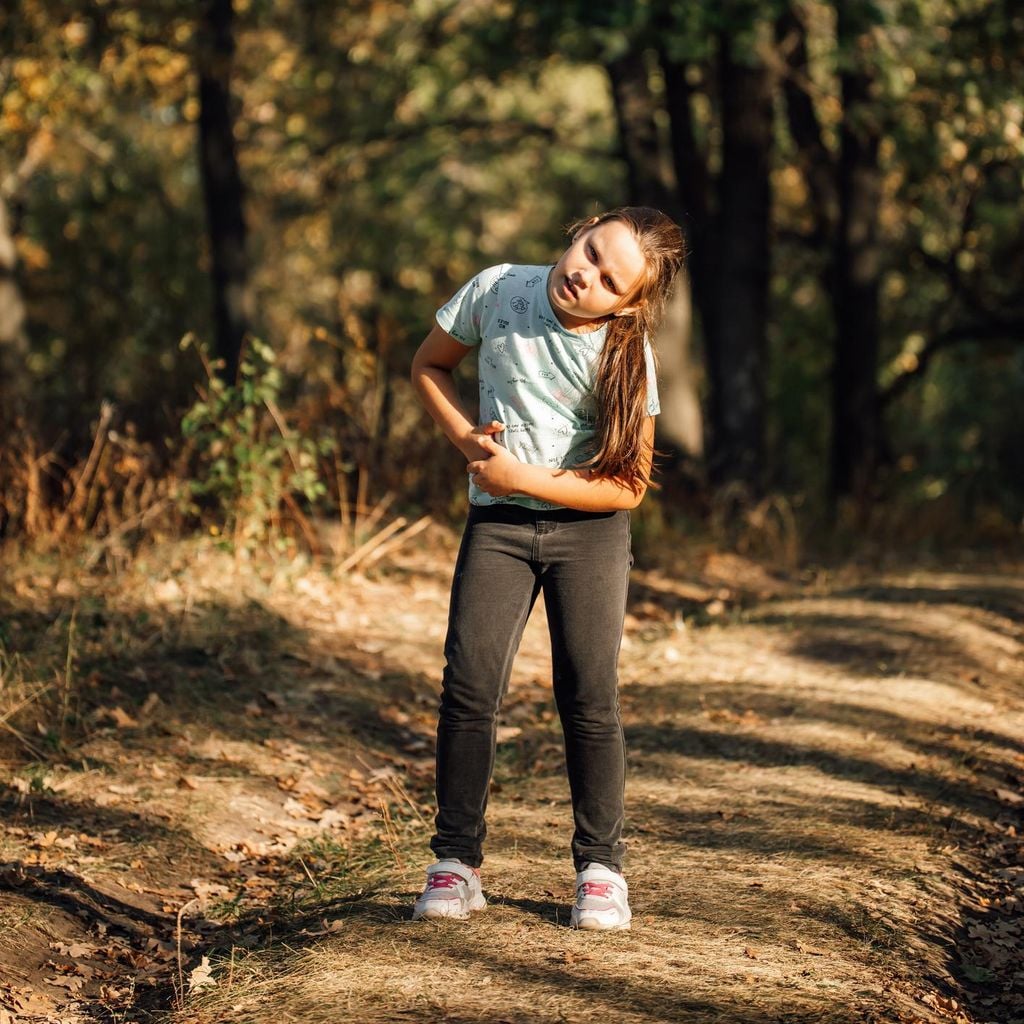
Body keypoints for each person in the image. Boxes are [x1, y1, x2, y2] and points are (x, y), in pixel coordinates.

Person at [409, 207, 685, 930]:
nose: (584, 275)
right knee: (469, 684)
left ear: (627, 303)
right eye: (590, 251)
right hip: (496, 526)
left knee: (588, 696)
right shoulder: (499, 290)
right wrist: (466, 438)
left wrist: (522, 478)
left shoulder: (628, 354)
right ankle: (455, 862)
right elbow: (428, 365)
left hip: (588, 537)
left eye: (608, 280)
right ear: (581, 229)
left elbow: (628, 485)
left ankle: (601, 870)